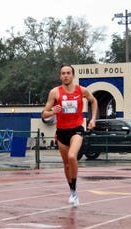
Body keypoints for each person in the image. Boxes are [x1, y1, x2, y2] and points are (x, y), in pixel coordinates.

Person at [42, 63, 98, 207]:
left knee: (72, 156)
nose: (65, 75)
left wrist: (92, 119)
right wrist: (53, 110)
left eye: (68, 73)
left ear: (73, 75)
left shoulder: (82, 90)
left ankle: (74, 187)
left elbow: (93, 101)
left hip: (77, 129)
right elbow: (44, 113)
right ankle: (73, 190)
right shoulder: (55, 92)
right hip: (61, 132)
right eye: (63, 73)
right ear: (60, 76)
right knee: (66, 165)